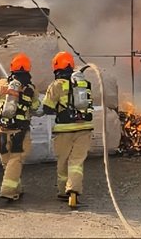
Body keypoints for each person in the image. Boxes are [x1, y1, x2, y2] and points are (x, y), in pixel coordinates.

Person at [42, 51, 93, 209]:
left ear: (56, 67)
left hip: (63, 129)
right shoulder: (85, 84)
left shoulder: (56, 85)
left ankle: (64, 191)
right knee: (76, 162)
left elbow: (47, 108)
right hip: (84, 128)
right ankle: (74, 190)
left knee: (63, 160)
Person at [0, 52, 40, 202]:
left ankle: (16, 189)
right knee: (16, 159)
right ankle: (8, 190)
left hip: (2, 129)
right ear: (28, 70)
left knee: (6, 160)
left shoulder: (2, 84)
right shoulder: (31, 89)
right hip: (20, 129)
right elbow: (35, 107)